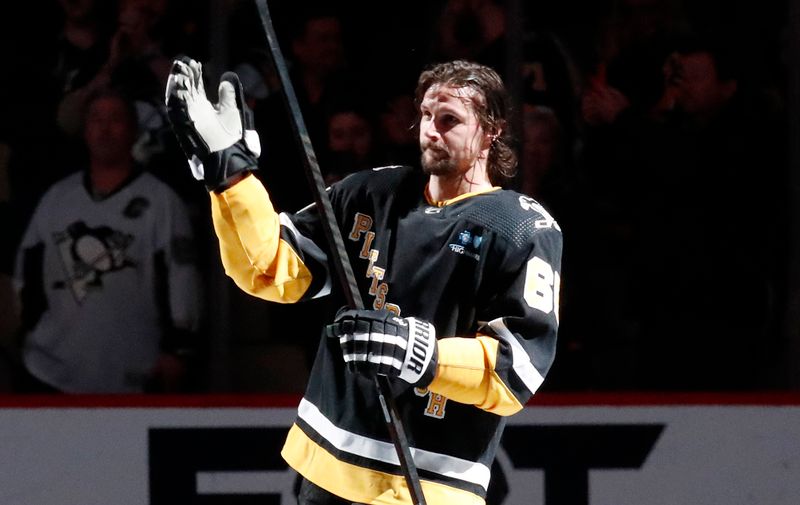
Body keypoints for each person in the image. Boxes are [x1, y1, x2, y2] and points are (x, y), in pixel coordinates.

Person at [165, 57, 562, 504]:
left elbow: (515, 372)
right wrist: (231, 179)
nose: (431, 130)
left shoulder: (522, 228)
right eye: (427, 115)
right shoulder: (372, 193)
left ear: (491, 132)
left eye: (450, 119)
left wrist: (423, 355)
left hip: (429, 484)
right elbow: (272, 269)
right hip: (327, 470)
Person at [11, 89, 202, 393]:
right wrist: (28, 333)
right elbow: (27, 275)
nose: (105, 128)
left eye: (115, 119)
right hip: (52, 369)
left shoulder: (161, 201)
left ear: (133, 130)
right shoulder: (57, 199)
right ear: (85, 130)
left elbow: (182, 279)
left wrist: (177, 349)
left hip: (137, 370)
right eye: (96, 119)